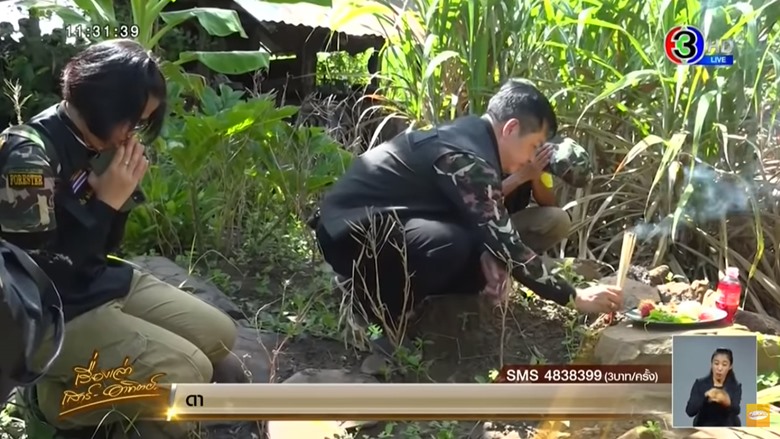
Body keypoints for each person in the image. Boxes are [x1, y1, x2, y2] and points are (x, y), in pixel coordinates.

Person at [0, 39, 243, 438]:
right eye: (131, 121)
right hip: (44, 314)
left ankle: (110, 398)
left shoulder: (96, 143)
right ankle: (56, 406)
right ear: (104, 105)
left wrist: (119, 196)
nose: (132, 133)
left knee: (220, 336)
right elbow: (35, 281)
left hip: (92, 279)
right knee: (186, 373)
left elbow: (105, 246)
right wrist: (104, 204)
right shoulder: (30, 156)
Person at [315, 79, 623, 337]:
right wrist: (574, 296)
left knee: (476, 264)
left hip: (394, 226)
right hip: (349, 233)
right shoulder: (467, 158)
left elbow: (488, 231)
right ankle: (372, 307)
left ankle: (416, 301)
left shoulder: (473, 137)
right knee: (450, 245)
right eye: (534, 145)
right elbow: (508, 246)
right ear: (511, 128)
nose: (533, 158)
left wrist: (488, 255)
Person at [503, 136, 587, 253]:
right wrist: (521, 175)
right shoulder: (502, 151)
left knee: (559, 220)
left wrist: (534, 177)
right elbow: (483, 196)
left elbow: (550, 203)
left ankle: (517, 259)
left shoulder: (541, 164)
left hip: (509, 223)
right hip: (480, 225)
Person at [685, 347, 743, 427]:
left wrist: (727, 402)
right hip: (704, 428)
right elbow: (690, 412)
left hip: (728, 429)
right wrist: (706, 396)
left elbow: (737, 410)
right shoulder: (700, 384)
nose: (719, 368)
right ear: (711, 364)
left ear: (730, 367)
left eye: (724, 364)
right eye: (716, 363)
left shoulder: (735, 386)